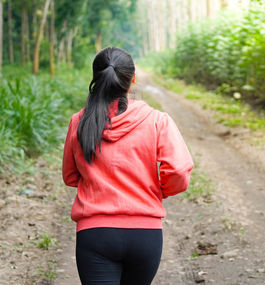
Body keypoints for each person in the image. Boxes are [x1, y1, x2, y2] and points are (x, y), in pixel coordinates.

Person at [62, 46, 194, 285]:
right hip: (146, 233)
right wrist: (157, 191)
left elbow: (70, 176)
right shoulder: (157, 120)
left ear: (96, 77)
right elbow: (178, 172)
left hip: (95, 233)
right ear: (132, 79)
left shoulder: (79, 121)